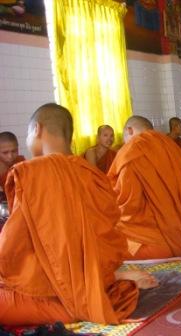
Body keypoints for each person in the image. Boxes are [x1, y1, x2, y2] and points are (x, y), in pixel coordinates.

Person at [0, 103, 158, 325]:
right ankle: (97, 290)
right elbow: (112, 229)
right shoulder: (90, 173)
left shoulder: (32, 174)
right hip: (95, 277)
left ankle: (78, 305)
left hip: (53, 290)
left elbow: (10, 250)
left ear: (36, 129)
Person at [108, 116, 181, 260]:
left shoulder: (133, 150)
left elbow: (126, 207)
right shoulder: (172, 147)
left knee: (106, 244)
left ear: (130, 130)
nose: (124, 144)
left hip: (159, 244)